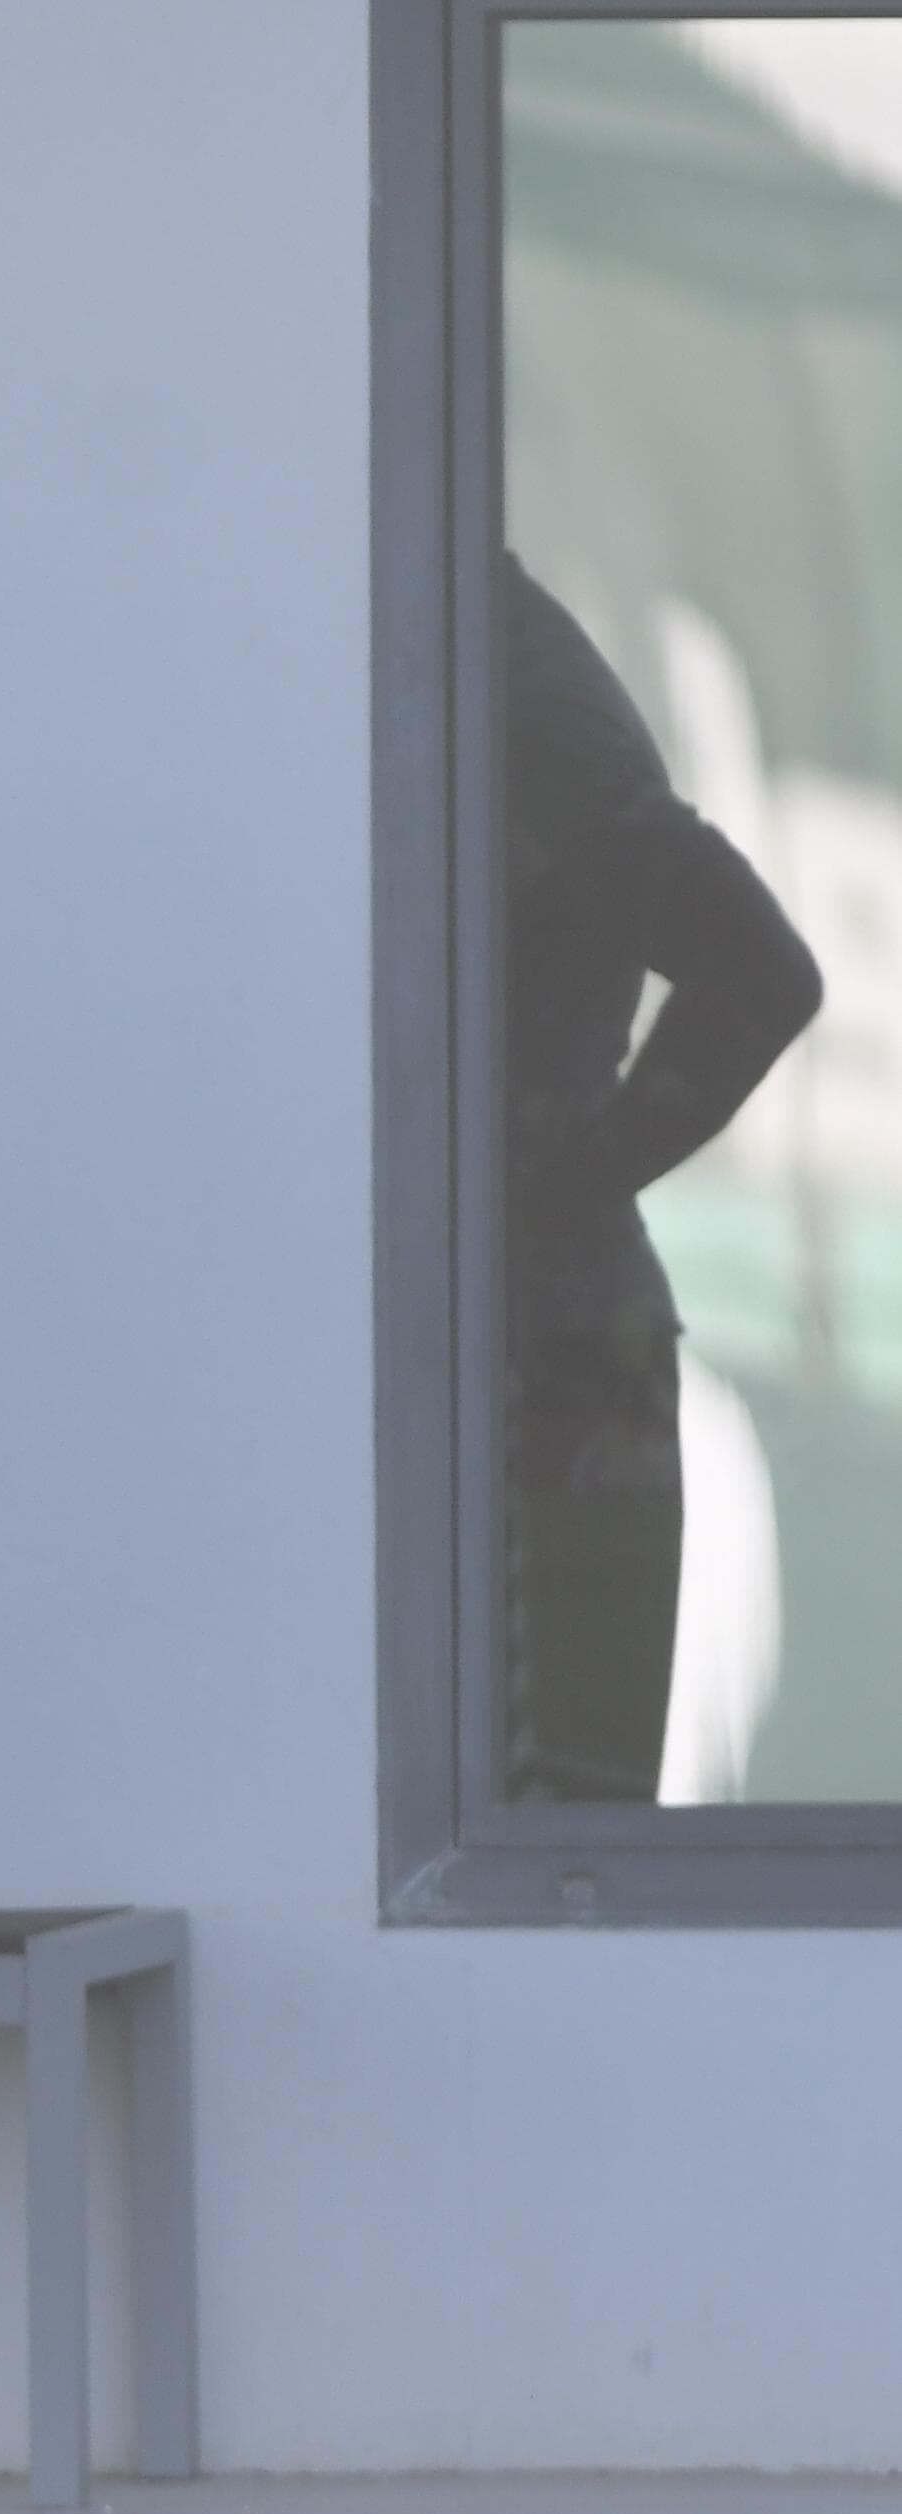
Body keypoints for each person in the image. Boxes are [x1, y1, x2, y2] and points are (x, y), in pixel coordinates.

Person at [496, 551, 819, 1800]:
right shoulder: (466, 654)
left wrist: (546, 1200)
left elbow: (759, 973)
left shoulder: (501, 680)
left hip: (546, 1359)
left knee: (540, 1846)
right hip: (541, 1351)